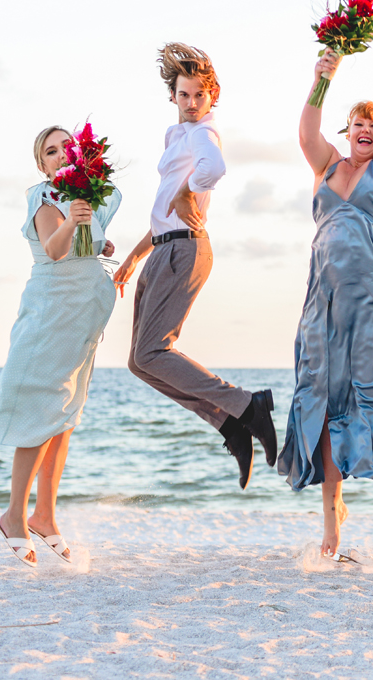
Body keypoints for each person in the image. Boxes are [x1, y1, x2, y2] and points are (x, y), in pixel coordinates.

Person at [276, 18, 373, 559]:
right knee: (324, 400)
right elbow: (306, 132)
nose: (366, 129)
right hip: (324, 305)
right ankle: (331, 519)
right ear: (346, 131)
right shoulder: (326, 166)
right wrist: (322, 77)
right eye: (357, 123)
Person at [114, 43, 276, 490]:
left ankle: (247, 406)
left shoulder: (205, 134)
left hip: (184, 250)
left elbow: (214, 168)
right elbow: (165, 208)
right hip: (163, 247)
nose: (190, 104)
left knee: (152, 353)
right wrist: (133, 256)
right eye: (183, 96)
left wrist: (188, 189)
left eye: (198, 96)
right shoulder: (176, 134)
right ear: (173, 97)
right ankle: (229, 424)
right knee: (138, 362)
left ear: (213, 95)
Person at [0, 126, 121, 566]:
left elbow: (75, 249)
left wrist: (97, 241)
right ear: (42, 163)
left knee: (64, 416)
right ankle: (14, 516)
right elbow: (53, 249)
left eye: (66, 148)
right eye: (50, 151)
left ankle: (45, 515)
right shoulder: (45, 200)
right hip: (50, 317)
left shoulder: (81, 198)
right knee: (39, 413)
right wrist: (74, 220)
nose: (59, 155)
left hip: (79, 317)